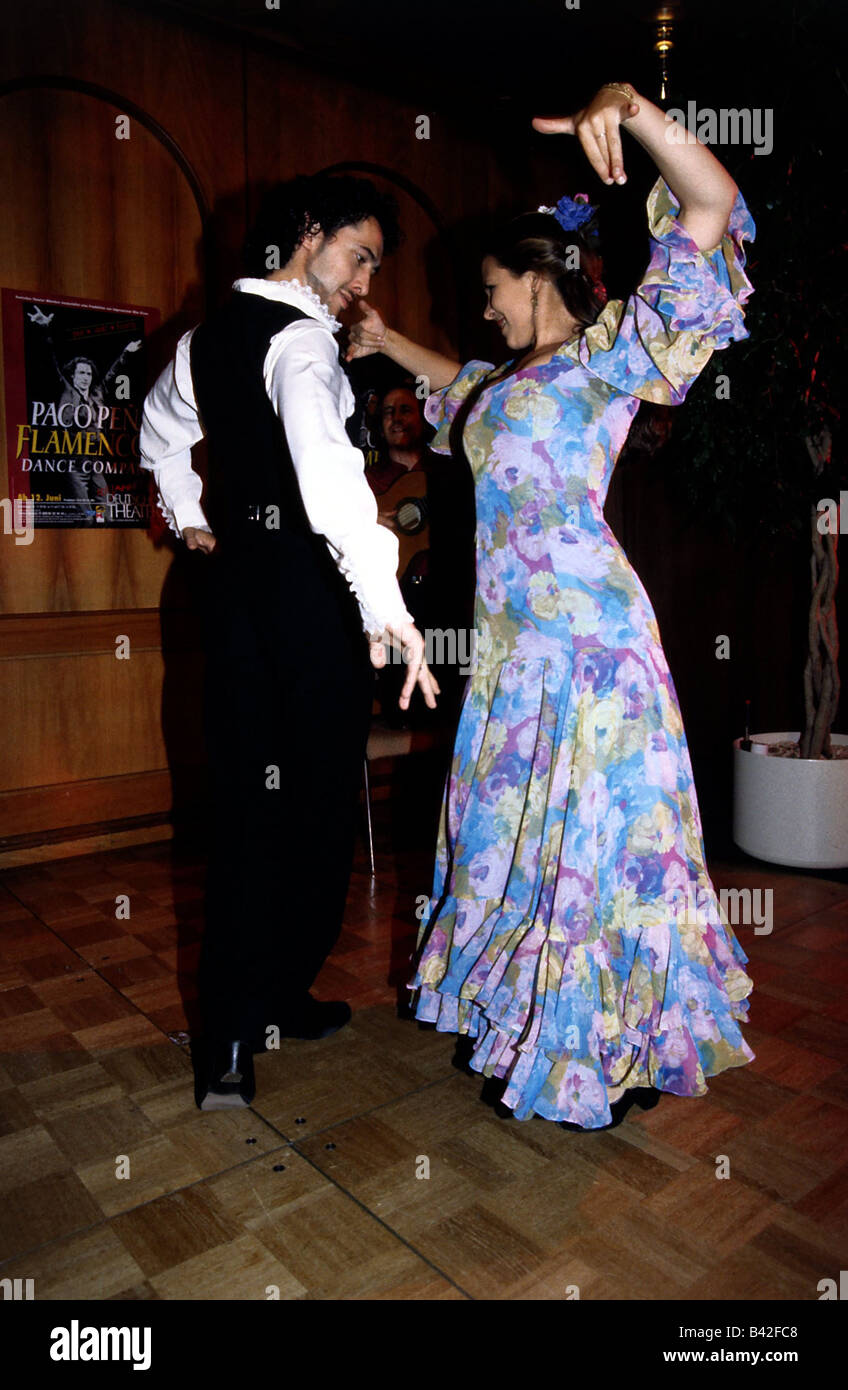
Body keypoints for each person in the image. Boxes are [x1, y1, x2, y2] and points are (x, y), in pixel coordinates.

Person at [347, 83, 756, 1130]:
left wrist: (633, 113)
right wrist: (387, 341)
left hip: (589, 647)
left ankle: (603, 1054)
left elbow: (707, 209)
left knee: (598, 848)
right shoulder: (508, 381)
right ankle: (539, 1027)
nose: (481, 307)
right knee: (521, 842)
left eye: (491, 289)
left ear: (540, 279)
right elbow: (466, 397)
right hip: (515, 655)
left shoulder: (607, 356)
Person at [140, 174, 438, 1110]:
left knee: (253, 814)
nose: (361, 281)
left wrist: (190, 513)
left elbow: (159, 426)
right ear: (307, 236)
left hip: (233, 607)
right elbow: (332, 486)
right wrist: (388, 607)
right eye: (358, 255)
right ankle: (253, 1010)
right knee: (308, 814)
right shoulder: (302, 339)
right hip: (305, 611)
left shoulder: (204, 337)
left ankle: (253, 1016)